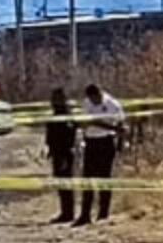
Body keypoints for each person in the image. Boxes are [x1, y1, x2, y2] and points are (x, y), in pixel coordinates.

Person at [75, 82, 124, 224]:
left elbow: (120, 124)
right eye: (91, 99)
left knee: (104, 178)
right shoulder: (87, 103)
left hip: (106, 142)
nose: (93, 101)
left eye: (95, 98)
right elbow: (85, 122)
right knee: (88, 178)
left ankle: (103, 213)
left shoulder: (113, 104)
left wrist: (119, 142)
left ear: (100, 94)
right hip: (91, 142)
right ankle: (85, 214)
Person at [42, 86, 79, 224]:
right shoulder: (55, 114)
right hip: (57, 152)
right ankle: (65, 211)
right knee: (61, 183)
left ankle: (68, 213)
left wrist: (64, 152)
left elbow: (69, 134)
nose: (52, 101)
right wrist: (49, 148)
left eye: (55, 98)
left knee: (65, 183)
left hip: (64, 152)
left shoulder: (66, 114)